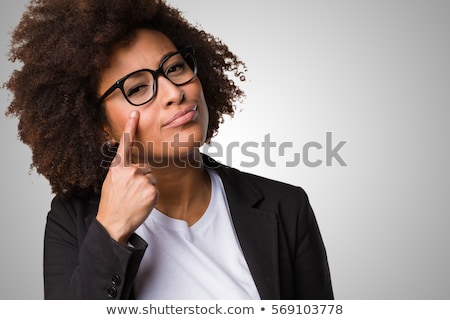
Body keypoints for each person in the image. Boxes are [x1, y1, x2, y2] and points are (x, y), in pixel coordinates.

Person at [5, 0, 333, 300]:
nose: (175, 92)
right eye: (137, 88)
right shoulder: (72, 223)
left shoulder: (287, 208)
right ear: (98, 125)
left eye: (175, 68)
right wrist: (111, 230)